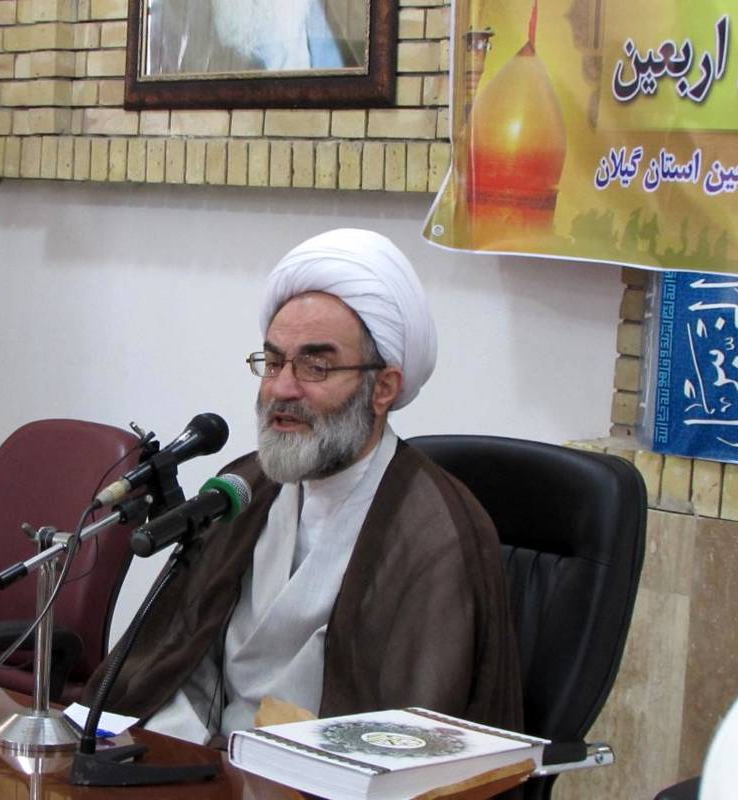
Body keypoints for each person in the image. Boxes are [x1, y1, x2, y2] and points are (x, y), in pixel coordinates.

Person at [83, 228, 523, 744]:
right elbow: (181, 658)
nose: (282, 388)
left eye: (316, 366)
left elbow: (413, 739)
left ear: (383, 388)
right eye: (273, 362)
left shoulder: (434, 532)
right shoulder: (247, 486)